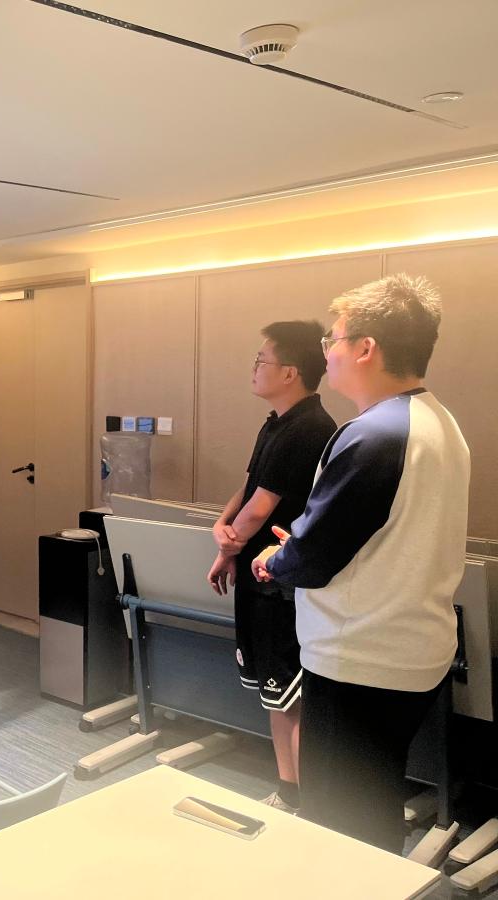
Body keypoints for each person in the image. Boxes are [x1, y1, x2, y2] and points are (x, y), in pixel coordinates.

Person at [252, 274, 470, 852]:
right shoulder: (437, 421)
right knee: (371, 801)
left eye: (334, 339)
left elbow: (313, 558)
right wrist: (305, 542)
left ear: (366, 348)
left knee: (341, 825)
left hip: (360, 659)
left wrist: (278, 556)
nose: (327, 352)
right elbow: (376, 531)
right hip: (411, 649)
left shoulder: (373, 434)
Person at [207, 321, 337, 815]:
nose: (254, 368)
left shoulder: (310, 428)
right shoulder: (277, 422)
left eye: (262, 361)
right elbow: (249, 488)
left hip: (280, 581)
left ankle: (303, 801)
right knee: (275, 695)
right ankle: (288, 791)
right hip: (258, 573)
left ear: (290, 372)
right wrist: (223, 528)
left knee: (291, 696)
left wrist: (230, 544)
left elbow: (263, 508)